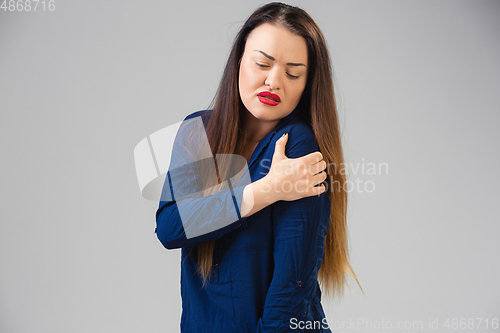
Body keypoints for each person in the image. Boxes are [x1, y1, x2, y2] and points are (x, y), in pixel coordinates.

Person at [155, 2, 361, 332]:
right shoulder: (198, 132)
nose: (274, 81)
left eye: (293, 73)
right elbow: (170, 227)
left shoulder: (298, 146)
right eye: (262, 63)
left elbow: (292, 291)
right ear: (238, 62)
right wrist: (266, 190)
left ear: (307, 84)